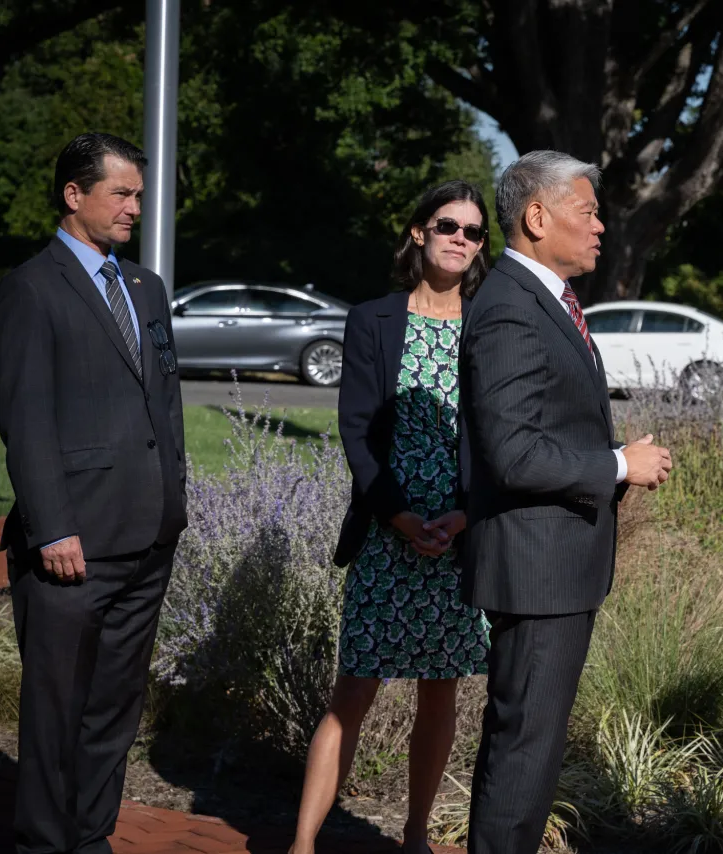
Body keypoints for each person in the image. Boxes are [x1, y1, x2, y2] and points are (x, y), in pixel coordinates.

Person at [459, 151, 674, 854]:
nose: (602, 226)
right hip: (537, 568)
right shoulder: (511, 311)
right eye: (588, 211)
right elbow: (513, 454)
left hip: (551, 563)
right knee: (525, 751)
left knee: (526, 747)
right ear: (536, 217)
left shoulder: (540, 298)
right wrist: (619, 464)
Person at [289, 181, 492, 854]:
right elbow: (356, 432)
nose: (461, 238)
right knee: (354, 691)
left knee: (441, 694)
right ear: (417, 233)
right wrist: (402, 518)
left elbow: (497, 438)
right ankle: (303, 844)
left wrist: (462, 518)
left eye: (473, 231)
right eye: (447, 225)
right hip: (387, 533)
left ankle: (415, 836)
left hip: (460, 540)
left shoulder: (489, 324)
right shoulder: (373, 319)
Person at [0, 132, 187, 853]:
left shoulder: (144, 287)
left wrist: (176, 494)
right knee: (55, 712)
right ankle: (45, 843)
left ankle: (91, 836)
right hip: (70, 543)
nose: (135, 208)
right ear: (74, 195)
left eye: (139, 194)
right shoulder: (30, 288)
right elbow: (25, 417)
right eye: (122, 193)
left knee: (114, 708)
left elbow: (164, 401)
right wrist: (50, 528)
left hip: (148, 537)